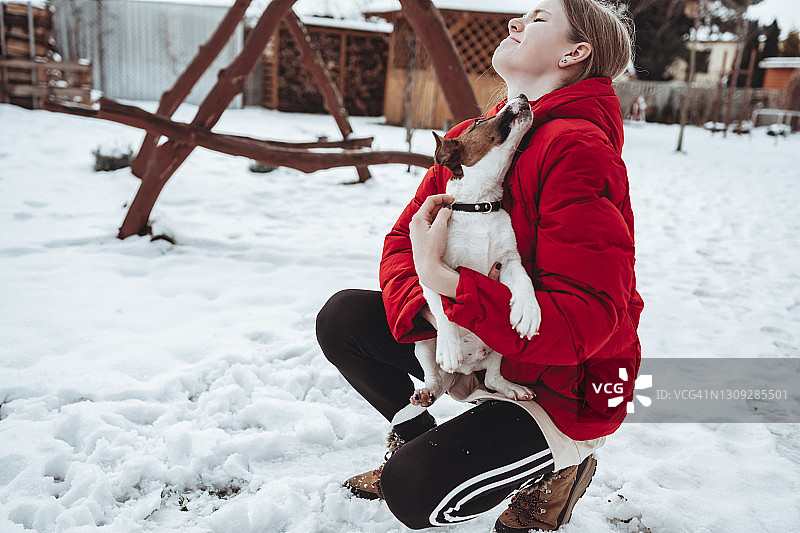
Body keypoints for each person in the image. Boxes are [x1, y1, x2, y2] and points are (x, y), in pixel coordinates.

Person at [315, 0, 644, 530]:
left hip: (558, 386)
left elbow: (586, 321)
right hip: (477, 345)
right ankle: (415, 438)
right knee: (343, 319)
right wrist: (432, 305)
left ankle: (564, 465)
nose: (516, 22)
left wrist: (449, 286)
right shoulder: (476, 135)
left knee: (412, 490)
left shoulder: (578, 149)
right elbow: (406, 238)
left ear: (575, 52)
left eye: (538, 19)